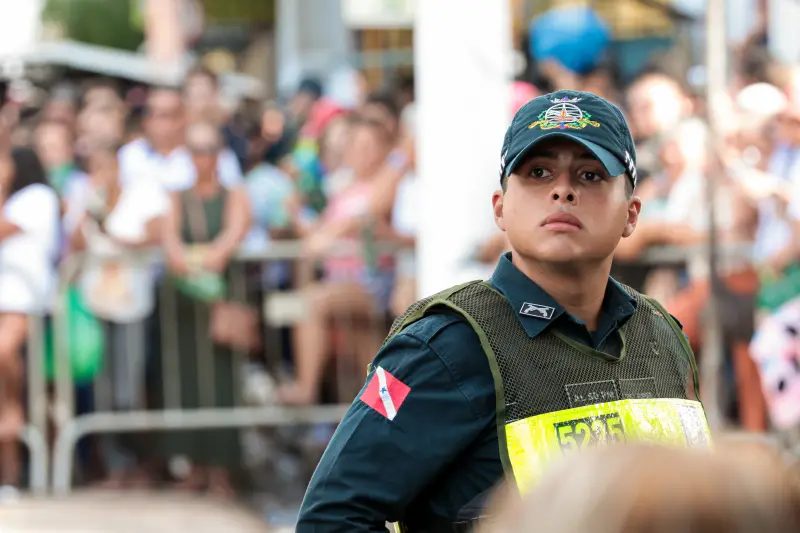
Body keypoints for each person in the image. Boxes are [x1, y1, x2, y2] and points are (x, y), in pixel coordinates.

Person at [295, 91, 711, 532]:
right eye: (538, 173)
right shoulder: (445, 348)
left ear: (631, 214)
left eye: (590, 175)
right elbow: (331, 519)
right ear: (500, 209)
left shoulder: (661, 335)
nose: (562, 190)